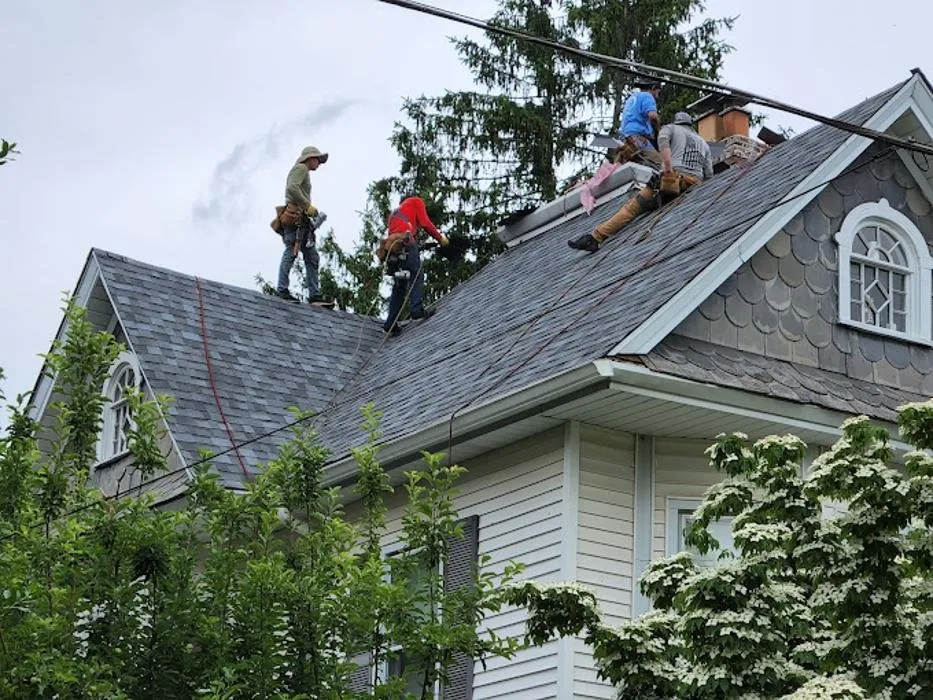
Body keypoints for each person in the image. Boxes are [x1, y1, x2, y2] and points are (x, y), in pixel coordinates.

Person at [569, 112, 713, 253]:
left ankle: (595, 238)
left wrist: (667, 171)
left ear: (676, 122)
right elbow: (709, 175)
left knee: (632, 208)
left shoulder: (670, 129)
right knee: (651, 198)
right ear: (690, 124)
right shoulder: (703, 144)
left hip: (673, 178)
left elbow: (664, 147)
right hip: (695, 184)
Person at [381, 195, 449, 335]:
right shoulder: (416, 201)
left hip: (393, 249)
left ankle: (390, 323)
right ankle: (416, 309)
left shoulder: (395, 213)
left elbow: (393, 235)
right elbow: (425, 223)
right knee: (416, 273)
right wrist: (440, 238)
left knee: (399, 283)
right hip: (406, 242)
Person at [276, 145, 334, 306]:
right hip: (295, 218)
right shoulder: (301, 168)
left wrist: (308, 209)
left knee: (311, 256)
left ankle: (314, 294)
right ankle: (282, 290)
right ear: (310, 158)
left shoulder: (303, 171)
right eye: (318, 160)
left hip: (301, 218)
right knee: (291, 251)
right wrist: (307, 205)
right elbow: (292, 188)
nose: (319, 164)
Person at [618, 79, 662, 152]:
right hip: (638, 137)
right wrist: (658, 131)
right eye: (658, 92)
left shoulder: (632, 98)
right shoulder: (647, 96)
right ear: (653, 88)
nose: (657, 96)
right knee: (658, 161)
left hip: (625, 137)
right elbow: (653, 116)